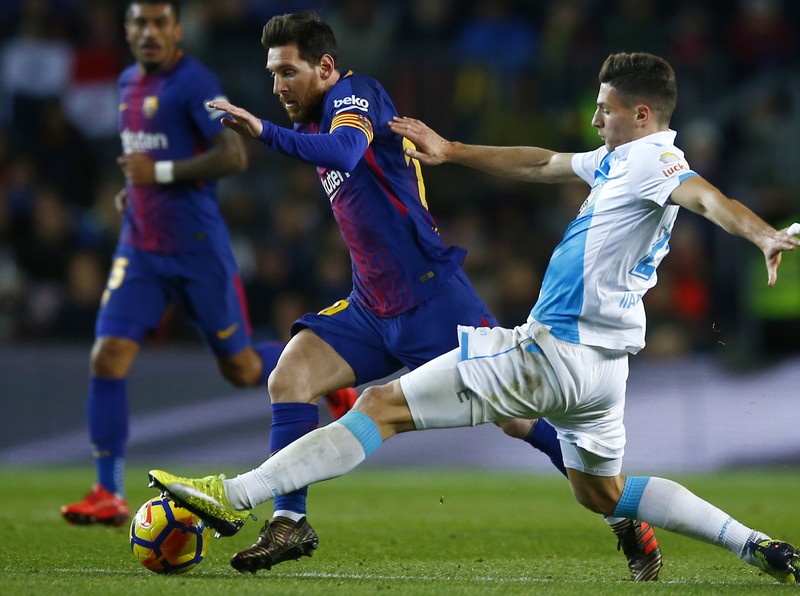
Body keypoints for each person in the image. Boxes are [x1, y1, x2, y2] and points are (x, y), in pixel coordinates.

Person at [149, 51, 800, 584]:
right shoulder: (618, 160)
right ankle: (754, 545)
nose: (593, 120)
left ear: (641, 114)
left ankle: (228, 495)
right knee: (603, 495)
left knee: (380, 406)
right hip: (603, 373)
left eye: (605, 110)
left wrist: (758, 234)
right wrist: (453, 149)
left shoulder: (655, 157)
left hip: (550, 351)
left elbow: (704, 195)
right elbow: (543, 163)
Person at [189, 12, 659, 579]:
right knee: (290, 377)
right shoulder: (312, 118)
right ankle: (289, 520)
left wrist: (260, 129)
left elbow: (343, 154)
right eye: (272, 75)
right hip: (371, 306)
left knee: (516, 419)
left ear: (327, 67)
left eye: (289, 72)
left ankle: (623, 515)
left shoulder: (354, 96)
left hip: (432, 297)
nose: (278, 86)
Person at [60, 0, 339, 527]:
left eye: (159, 22)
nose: (149, 32)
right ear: (126, 30)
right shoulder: (127, 84)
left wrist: (158, 173)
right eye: (139, 22)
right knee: (107, 356)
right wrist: (133, 190)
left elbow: (233, 155)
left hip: (196, 250)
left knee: (242, 369)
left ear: (177, 30)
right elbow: (146, 156)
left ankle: (321, 367)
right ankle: (106, 490)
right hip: (141, 248)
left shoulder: (195, 83)